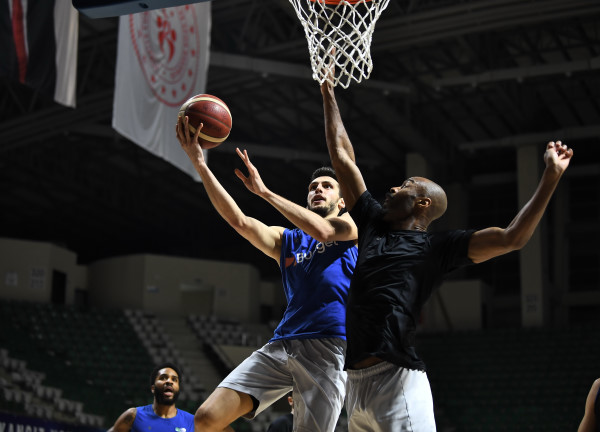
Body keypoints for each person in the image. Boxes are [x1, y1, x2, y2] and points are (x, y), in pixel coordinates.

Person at [320, 78, 574, 431]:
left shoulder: (437, 248)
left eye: (406, 185)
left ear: (422, 203)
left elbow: (512, 238)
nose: (393, 187)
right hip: (356, 386)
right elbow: (342, 156)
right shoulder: (373, 223)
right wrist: (328, 93)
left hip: (397, 381)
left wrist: (550, 177)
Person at [176, 116, 358, 432]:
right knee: (206, 419)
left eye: (326, 186)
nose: (318, 189)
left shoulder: (350, 227)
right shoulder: (288, 239)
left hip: (330, 348)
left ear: (341, 201)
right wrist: (200, 164)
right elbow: (241, 222)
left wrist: (265, 193)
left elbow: (325, 231)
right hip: (283, 344)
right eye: (313, 187)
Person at [108, 362, 194, 432]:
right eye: (163, 378)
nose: (169, 381)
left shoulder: (191, 421)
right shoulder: (133, 415)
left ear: (178, 389)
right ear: (153, 388)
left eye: (174, 379)